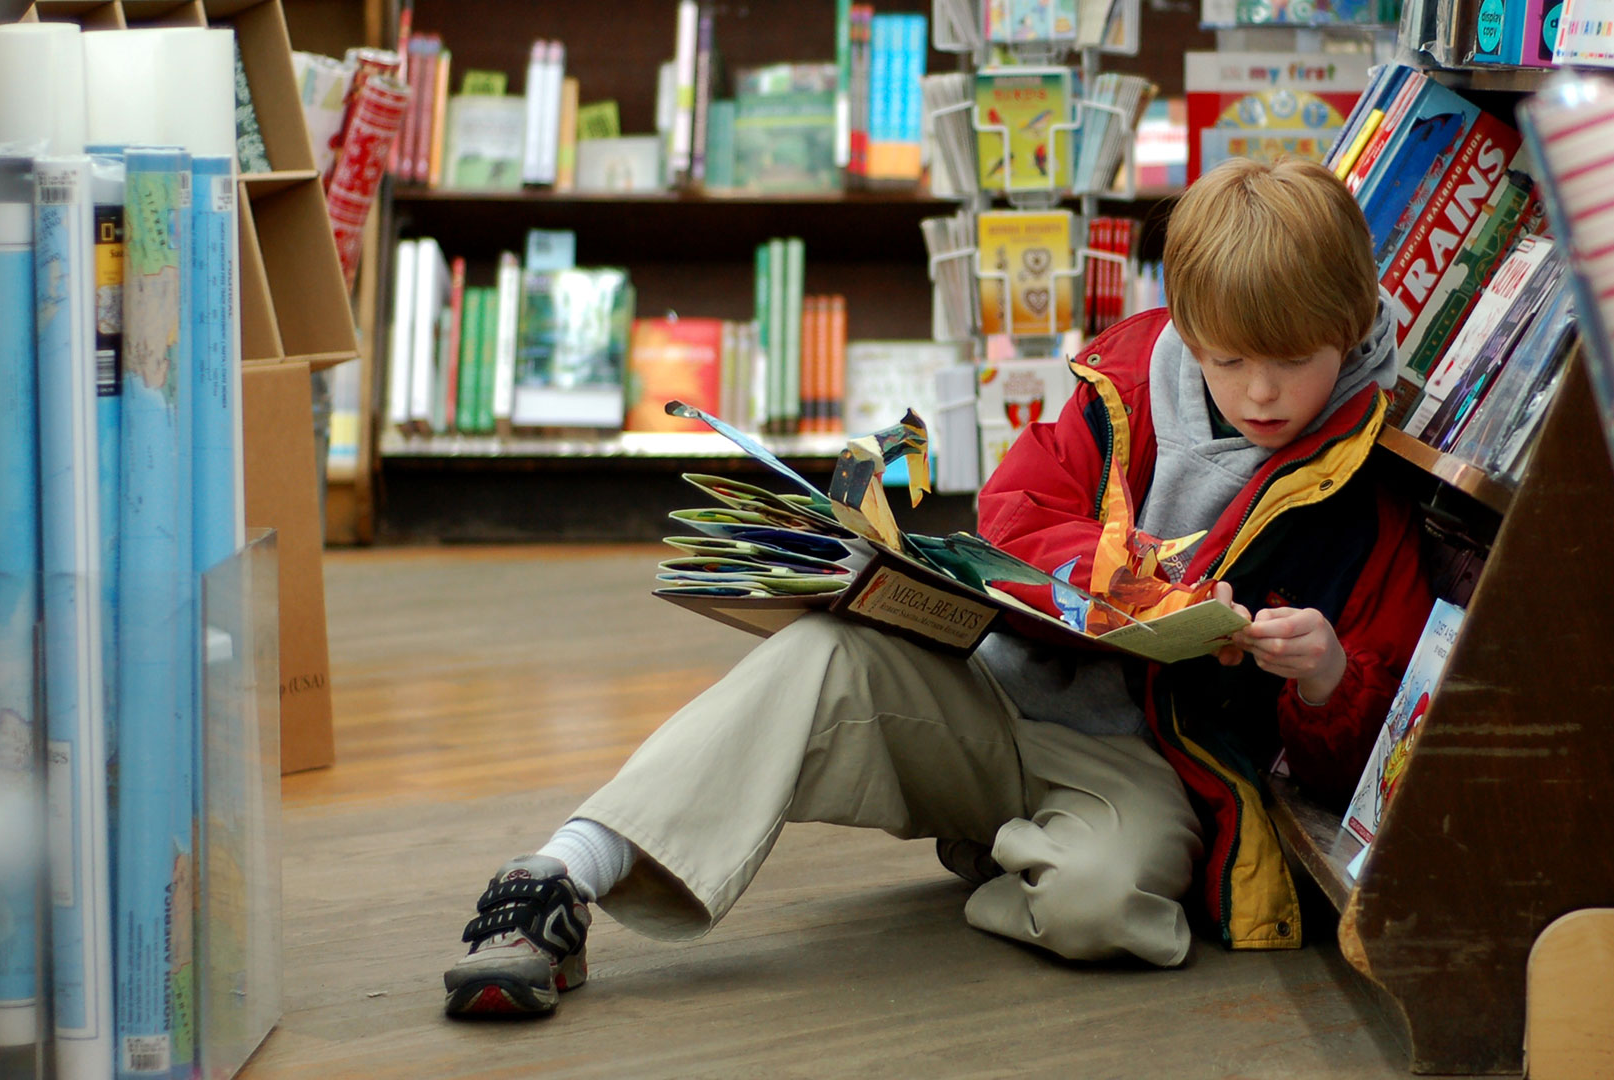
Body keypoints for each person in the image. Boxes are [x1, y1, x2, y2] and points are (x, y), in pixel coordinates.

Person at [443, 156, 1436, 1017]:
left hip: (1144, 767)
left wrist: (1323, 674)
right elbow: (1013, 517)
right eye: (1228, 360)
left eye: (1292, 362)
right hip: (995, 696)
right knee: (820, 656)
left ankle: (1004, 848)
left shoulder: (1370, 489)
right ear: (1187, 327)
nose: (1260, 390)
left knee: (1098, 907)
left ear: (1349, 331)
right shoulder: (1128, 389)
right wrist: (1125, 579)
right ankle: (561, 874)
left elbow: (1367, 756)